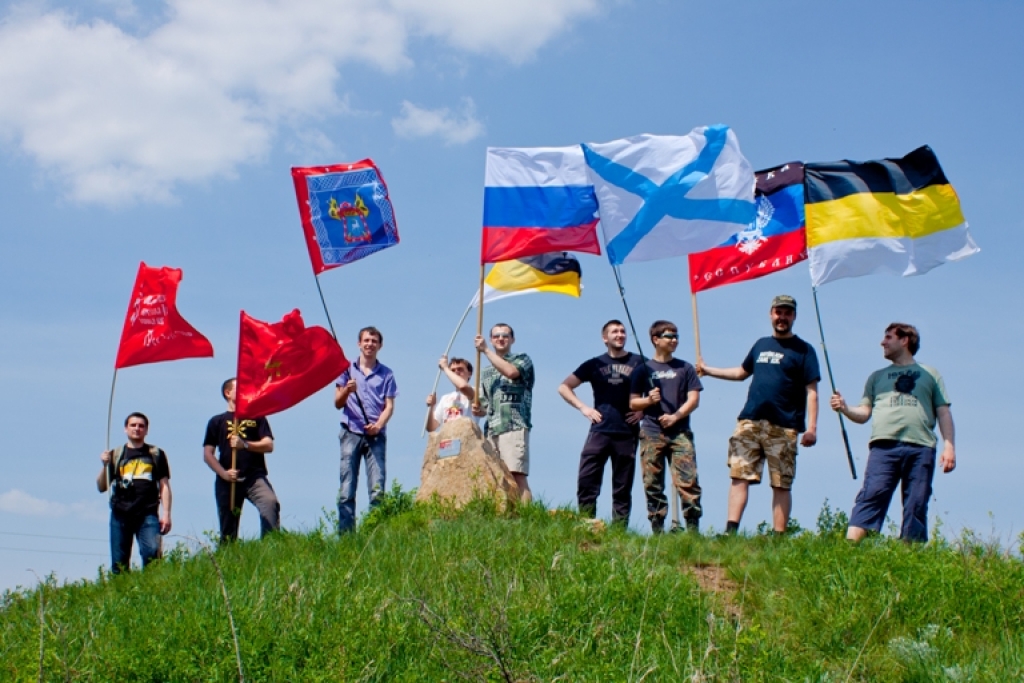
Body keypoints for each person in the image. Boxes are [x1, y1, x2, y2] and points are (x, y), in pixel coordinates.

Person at [698, 295, 820, 534]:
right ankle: (730, 531)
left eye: (787, 313)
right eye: (778, 312)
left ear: (794, 316)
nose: (782, 317)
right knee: (739, 475)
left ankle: (778, 535)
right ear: (771, 314)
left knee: (781, 482)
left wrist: (812, 428)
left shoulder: (804, 350)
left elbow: (812, 391)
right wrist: (708, 370)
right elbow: (741, 373)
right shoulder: (761, 344)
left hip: (784, 425)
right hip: (750, 421)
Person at [831, 323, 956, 543]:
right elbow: (864, 412)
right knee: (871, 495)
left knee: (916, 502)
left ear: (905, 340)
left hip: (921, 447)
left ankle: (909, 555)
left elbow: (943, 412)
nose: (883, 342)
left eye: (888, 337)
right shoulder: (876, 377)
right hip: (883, 447)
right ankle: (850, 549)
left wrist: (949, 446)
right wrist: (844, 407)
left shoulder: (930, 374)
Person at [558, 320, 643, 524]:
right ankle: (587, 522)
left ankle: (619, 530)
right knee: (587, 478)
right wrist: (583, 407)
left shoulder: (639, 362)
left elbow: (658, 389)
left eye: (623, 331)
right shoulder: (594, 364)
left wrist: (643, 410)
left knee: (623, 485)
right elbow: (564, 387)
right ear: (605, 338)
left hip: (628, 431)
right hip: (600, 429)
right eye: (614, 331)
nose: (620, 334)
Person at [629, 320, 703, 533]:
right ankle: (658, 529)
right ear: (655, 340)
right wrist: (649, 401)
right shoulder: (643, 370)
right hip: (651, 433)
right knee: (652, 483)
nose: (674, 340)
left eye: (676, 336)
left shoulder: (685, 368)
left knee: (688, 481)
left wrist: (675, 416)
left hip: (680, 433)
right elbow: (633, 402)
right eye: (669, 336)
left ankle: (692, 530)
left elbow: (694, 399)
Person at [334, 326, 398, 533]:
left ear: (380, 345)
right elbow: (337, 402)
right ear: (359, 343)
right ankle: (346, 536)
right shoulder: (346, 369)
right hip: (350, 431)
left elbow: (389, 406)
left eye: (374, 341)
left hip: (376, 436)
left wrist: (378, 425)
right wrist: (346, 390)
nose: (370, 344)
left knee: (377, 489)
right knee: (347, 488)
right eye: (366, 340)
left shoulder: (387, 374)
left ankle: (375, 534)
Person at [203, 378, 279, 542]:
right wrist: (223, 473)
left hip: (254, 476)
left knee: (270, 503)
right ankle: (228, 558)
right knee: (228, 525)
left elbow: (268, 445)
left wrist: (245, 444)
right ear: (228, 393)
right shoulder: (216, 422)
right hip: (228, 479)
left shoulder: (257, 417)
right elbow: (208, 454)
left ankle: (270, 546)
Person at [97, 412, 171, 573]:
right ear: (125, 429)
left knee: (152, 553)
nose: (137, 429)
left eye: (141, 426)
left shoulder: (156, 454)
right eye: (133, 425)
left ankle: (152, 588)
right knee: (119, 562)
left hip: (147, 512)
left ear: (146, 430)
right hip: (120, 513)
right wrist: (105, 466)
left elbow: (164, 485)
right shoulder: (116, 454)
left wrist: (166, 514)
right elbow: (101, 486)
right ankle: (122, 594)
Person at [473, 323, 535, 502]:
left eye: (505, 335)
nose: (500, 338)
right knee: (496, 478)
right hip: (492, 429)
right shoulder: (485, 372)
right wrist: (479, 409)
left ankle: (526, 517)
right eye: (496, 336)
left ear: (512, 339)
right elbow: (485, 405)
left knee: (516, 475)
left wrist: (485, 350)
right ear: (491, 339)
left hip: (514, 424)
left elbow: (511, 372)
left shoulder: (522, 359)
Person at [425, 356, 478, 432]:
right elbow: (431, 428)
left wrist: (445, 368)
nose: (456, 372)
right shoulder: (445, 398)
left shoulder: (475, 391)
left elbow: (463, 386)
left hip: (466, 440)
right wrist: (431, 407)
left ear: (469, 373)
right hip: (446, 441)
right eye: (453, 370)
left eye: (460, 369)